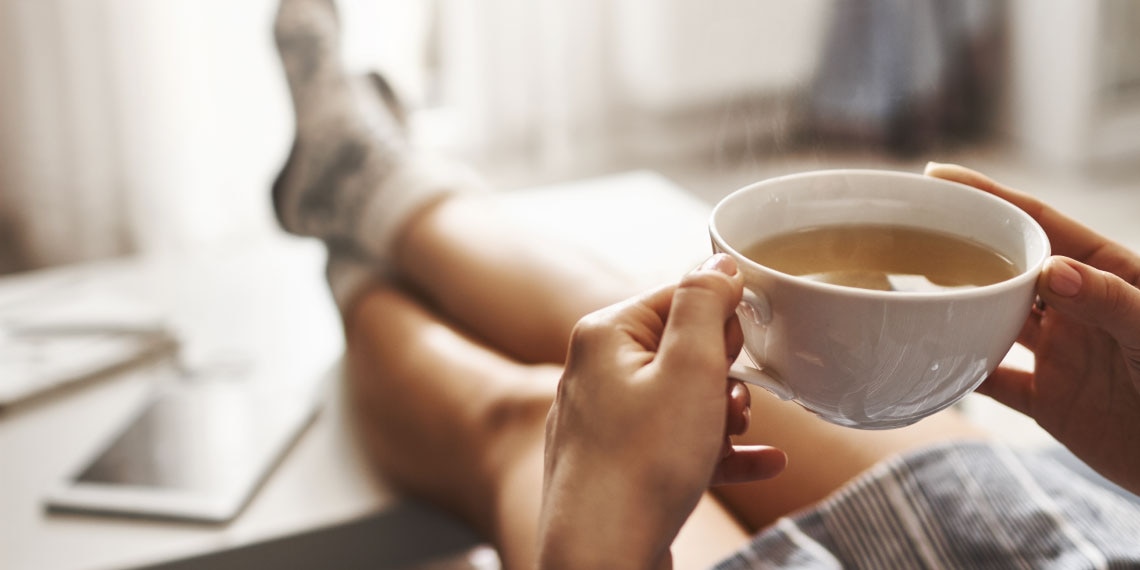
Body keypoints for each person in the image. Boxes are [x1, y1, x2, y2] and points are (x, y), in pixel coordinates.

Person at [271, 1, 1140, 567]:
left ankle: (361, 254)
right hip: (1072, 540)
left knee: (547, 425)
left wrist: (599, 543)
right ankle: (370, 186)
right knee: (634, 348)